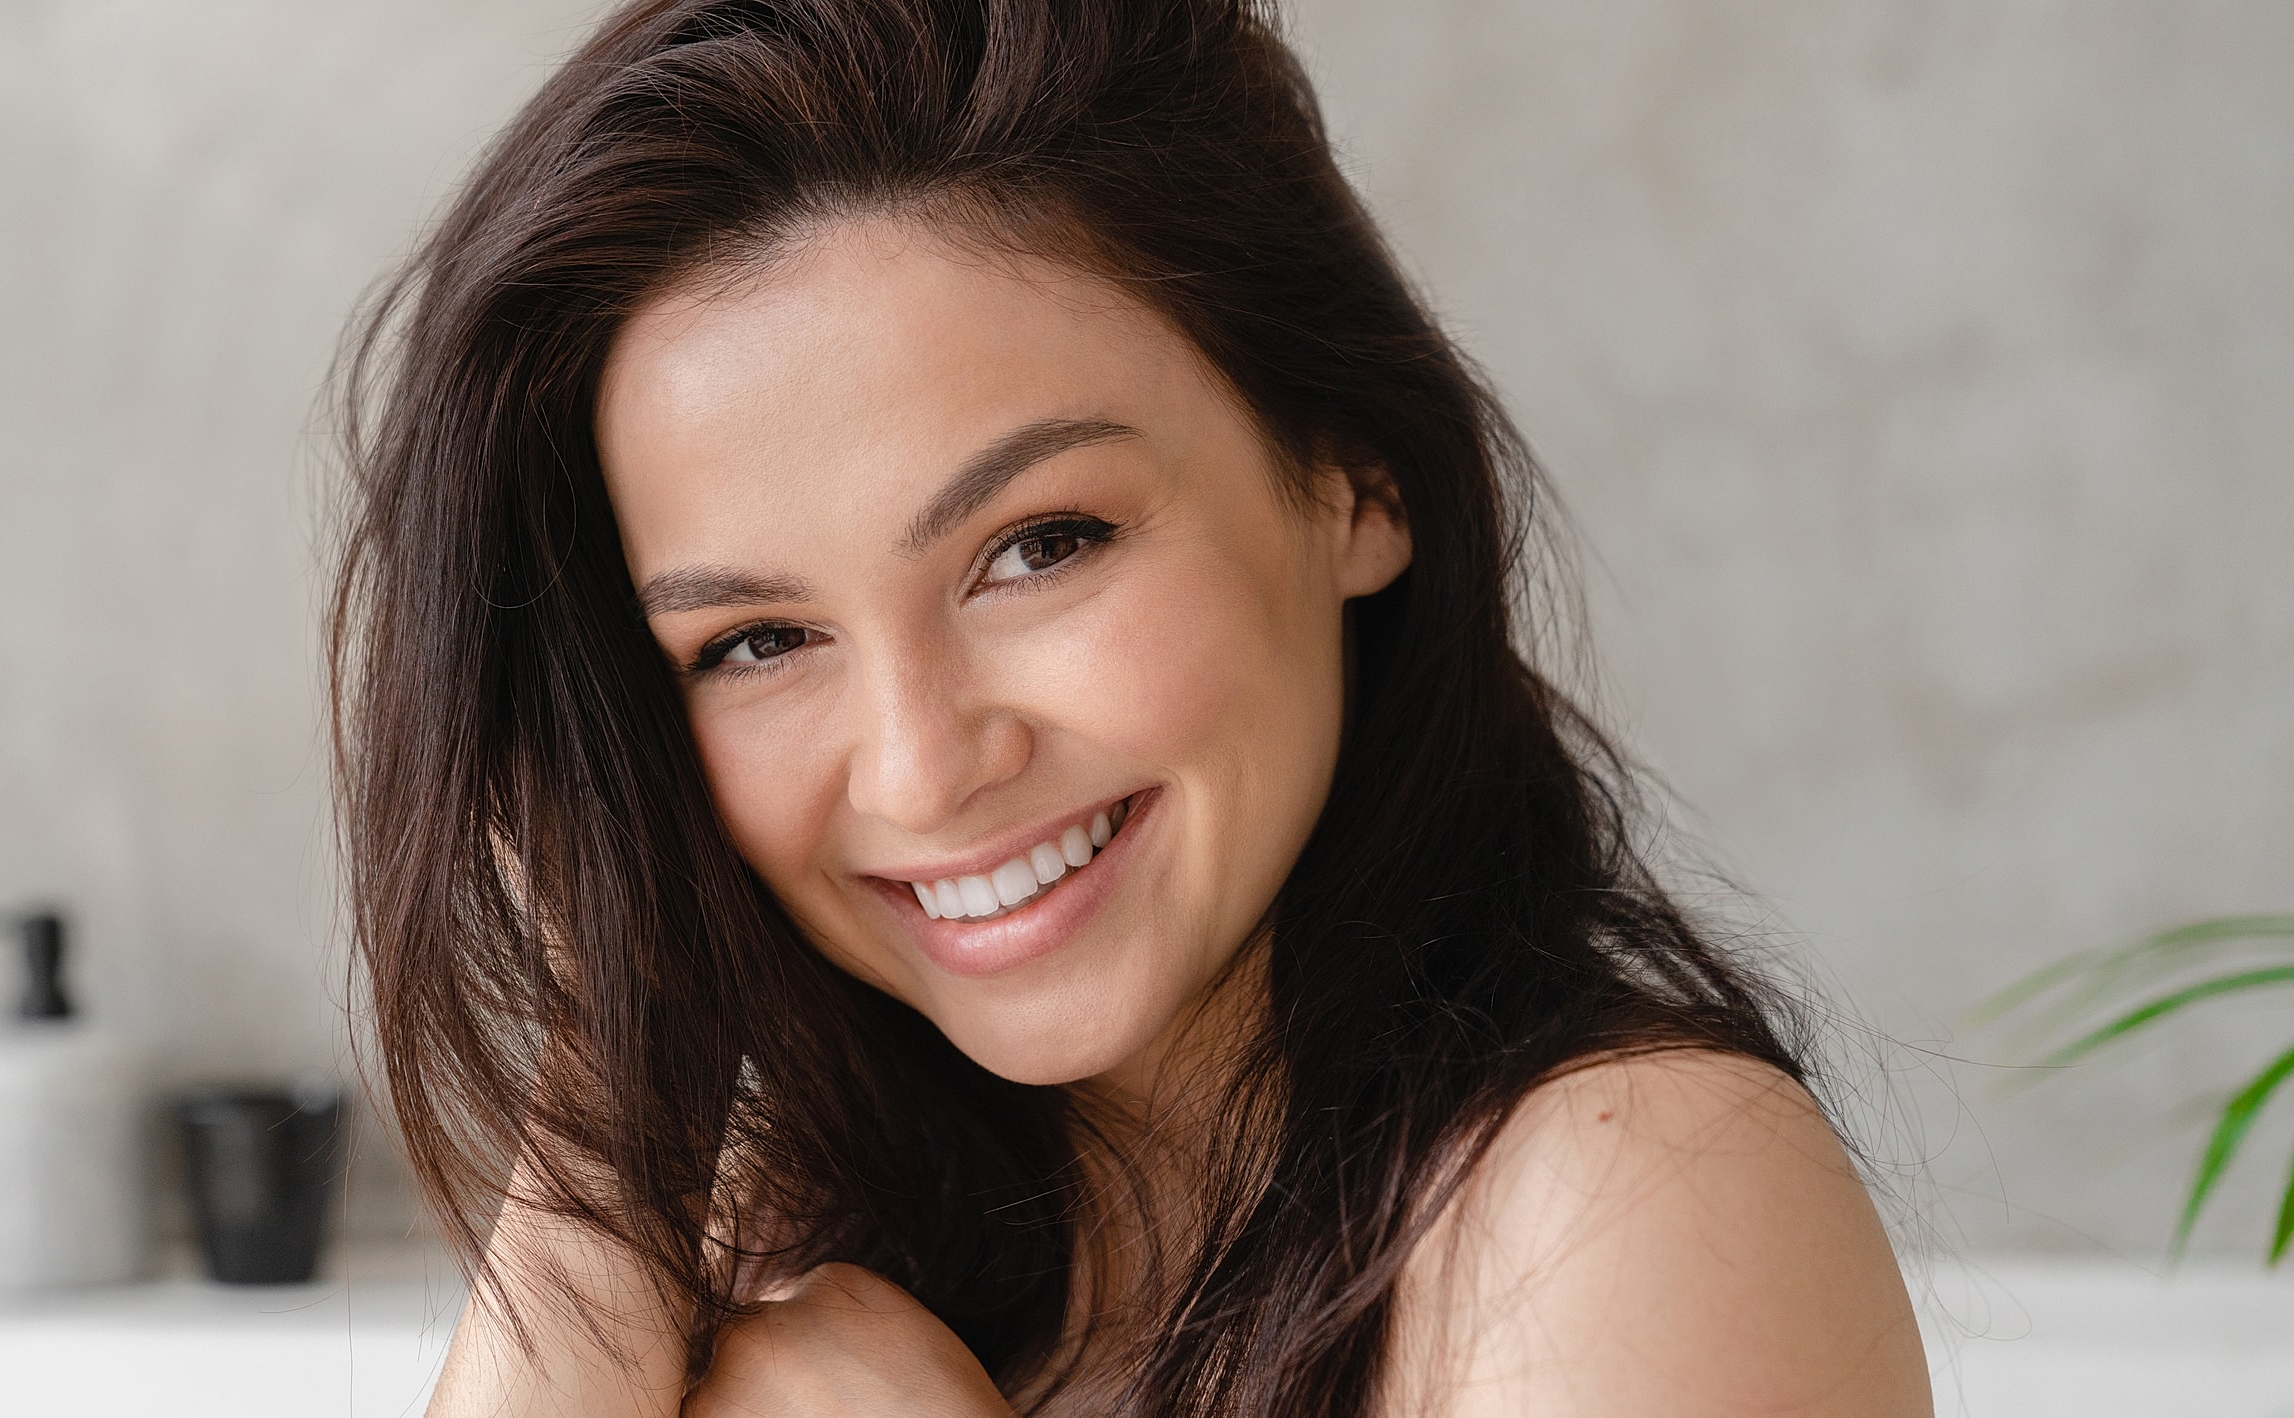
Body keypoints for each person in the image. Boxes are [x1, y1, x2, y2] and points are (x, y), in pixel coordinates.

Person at [328, 0, 1933, 1412]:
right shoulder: (807, 1226)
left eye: (1039, 545)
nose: (923, 762)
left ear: (1354, 474)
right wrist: (618, 1045)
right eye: (756, 640)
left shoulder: (1627, 1199)